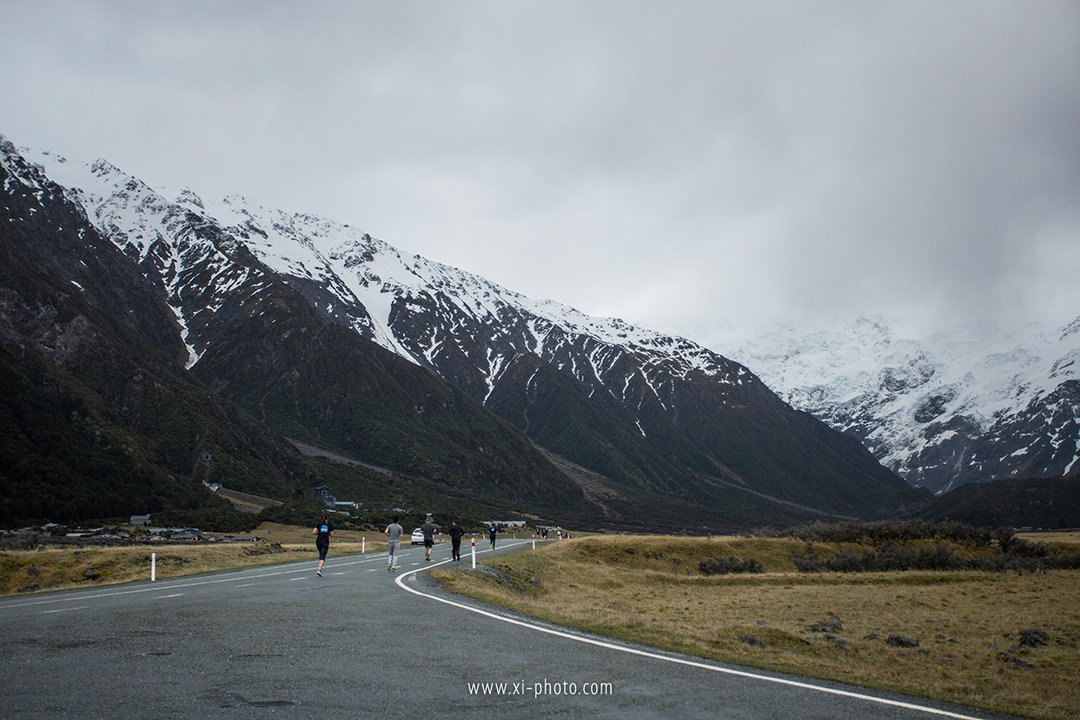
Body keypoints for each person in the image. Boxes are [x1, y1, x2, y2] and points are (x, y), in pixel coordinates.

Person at [313, 512, 333, 577]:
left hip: (318, 541)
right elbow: (331, 534)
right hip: (325, 541)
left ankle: (320, 567)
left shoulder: (319, 524)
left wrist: (318, 533)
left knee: (320, 554)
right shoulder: (329, 525)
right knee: (322, 557)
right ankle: (319, 569)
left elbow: (314, 532)